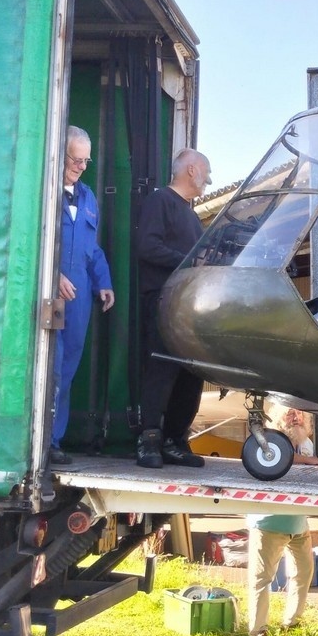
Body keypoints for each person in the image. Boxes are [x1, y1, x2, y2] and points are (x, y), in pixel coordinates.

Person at [136, 148, 211, 469]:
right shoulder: (160, 201)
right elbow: (147, 246)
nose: (209, 179)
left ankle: (175, 440)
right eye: (207, 172)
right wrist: (189, 261)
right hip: (164, 301)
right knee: (163, 369)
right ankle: (149, 440)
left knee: (192, 373)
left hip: (190, 307)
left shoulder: (192, 215)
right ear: (192, 170)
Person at [51, 126, 115, 465]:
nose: (82, 166)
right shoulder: (44, 190)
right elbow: (31, 241)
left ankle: (54, 441)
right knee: (49, 370)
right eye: (77, 159)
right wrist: (50, 276)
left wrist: (103, 282)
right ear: (60, 155)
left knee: (68, 369)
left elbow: (91, 249)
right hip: (48, 297)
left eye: (86, 160)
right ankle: (39, 441)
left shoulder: (88, 197)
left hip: (78, 301)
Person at [245, 410, 318, 636]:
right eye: (289, 414)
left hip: (297, 522)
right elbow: (283, 459)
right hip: (269, 521)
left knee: (303, 573)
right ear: (278, 417)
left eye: (300, 414)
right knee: (262, 578)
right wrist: (309, 462)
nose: (295, 418)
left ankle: (292, 622)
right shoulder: (268, 441)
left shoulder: (305, 443)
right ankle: (257, 629)